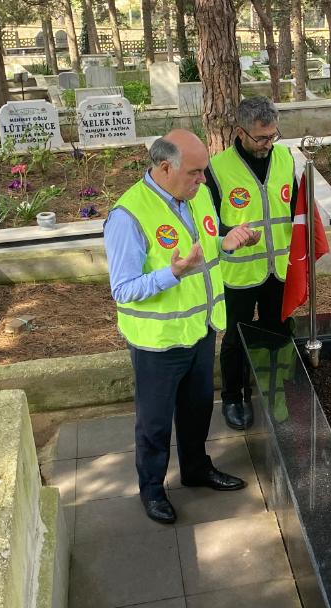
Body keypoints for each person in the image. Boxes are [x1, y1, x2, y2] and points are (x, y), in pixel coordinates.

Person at [103, 128, 261, 525]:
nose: (203, 180)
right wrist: (171, 274)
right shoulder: (128, 216)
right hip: (159, 343)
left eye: (203, 171)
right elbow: (123, 289)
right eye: (195, 172)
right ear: (164, 168)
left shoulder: (197, 195)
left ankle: (195, 469)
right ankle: (152, 490)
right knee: (154, 423)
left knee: (197, 409)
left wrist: (226, 241)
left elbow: (203, 249)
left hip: (201, 329)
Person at [205, 96, 297, 431]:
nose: (268, 144)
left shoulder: (285, 158)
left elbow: (294, 209)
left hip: (280, 270)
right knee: (236, 339)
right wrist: (232, 235)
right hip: (240, 272)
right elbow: (208, 225)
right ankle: (235, 397)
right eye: (260, 138)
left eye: (273, 135)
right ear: (240, 132)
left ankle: (276, 393)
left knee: (278, 333)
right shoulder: (217, 169)